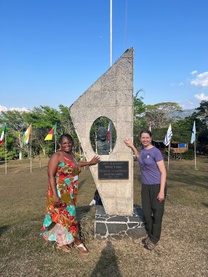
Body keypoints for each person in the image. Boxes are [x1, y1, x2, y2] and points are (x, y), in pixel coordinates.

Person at [40, 134, 100, 255]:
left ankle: (61, 242)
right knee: (70, 215)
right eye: (64, 143)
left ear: (72, 143)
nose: (67, 145)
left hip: (70, 191)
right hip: (59, 191)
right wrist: (55, 196)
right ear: (60, 145)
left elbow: (76, 165)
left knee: (62, 217)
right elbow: (50, 175)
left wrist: (90, 162)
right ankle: (79, 243)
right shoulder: (57, 156)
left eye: (69, 143)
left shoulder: (71, 155)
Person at [124, 130, 167, 250]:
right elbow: (139, 157)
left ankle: (154, 239)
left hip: (157, 186)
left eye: (147, 137)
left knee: (157, 214)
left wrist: (162, 191)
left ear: (151, 138)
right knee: (147, 214)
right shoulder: (143, 150)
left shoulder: (156, 152)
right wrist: (132, 146)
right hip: (145, 187)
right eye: (143, 138)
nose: (145, 139)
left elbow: (163, 172)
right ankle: (151, 234)